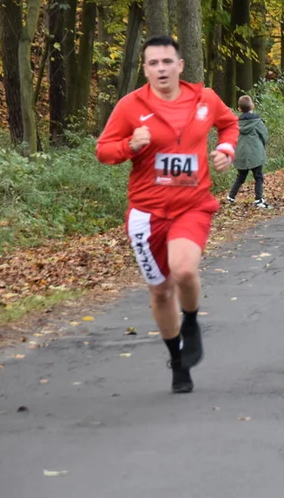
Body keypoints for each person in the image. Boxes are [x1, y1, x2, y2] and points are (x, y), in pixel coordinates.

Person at [96, 36, 238, 394]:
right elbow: (103, 151)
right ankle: (177, 361)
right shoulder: (130, 106)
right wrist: (131, 145)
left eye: (166, 62)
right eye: (153, 63)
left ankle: (190, 322)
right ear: (145, 69)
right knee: (160, 291)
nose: (161, 68)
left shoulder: (204, 99)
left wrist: (225, 149)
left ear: (180, 65)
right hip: (146, 213)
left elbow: (230, 123)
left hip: (192, 206)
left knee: (184, 269)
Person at [227, 95, 270, 207]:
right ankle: (259, 200)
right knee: (258, 176)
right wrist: (262, 146)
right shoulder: (257, 122)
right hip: (255, 154)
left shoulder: (235, 124)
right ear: (253, 106)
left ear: (239, 109)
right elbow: (265, 136)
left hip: (241, 154)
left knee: (240, 177)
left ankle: (231, 197)